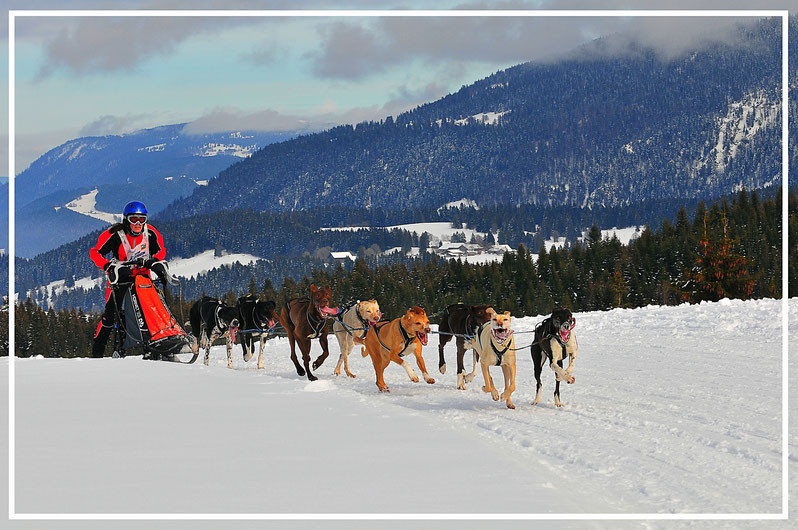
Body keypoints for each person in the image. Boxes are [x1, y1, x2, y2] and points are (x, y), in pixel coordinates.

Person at [89, 201, 171, 358]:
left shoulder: (151, 233)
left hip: (143, 279)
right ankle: (97, 353)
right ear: (126, 219)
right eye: (134, 219)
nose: (138, 224)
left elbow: (161, 251)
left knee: (151, 311)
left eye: (142, 219)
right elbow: (95, 252)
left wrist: (154, 261)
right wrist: (107, 266)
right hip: (120, 278)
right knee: (111, 315)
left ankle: (154, 347)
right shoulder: (115, 235)